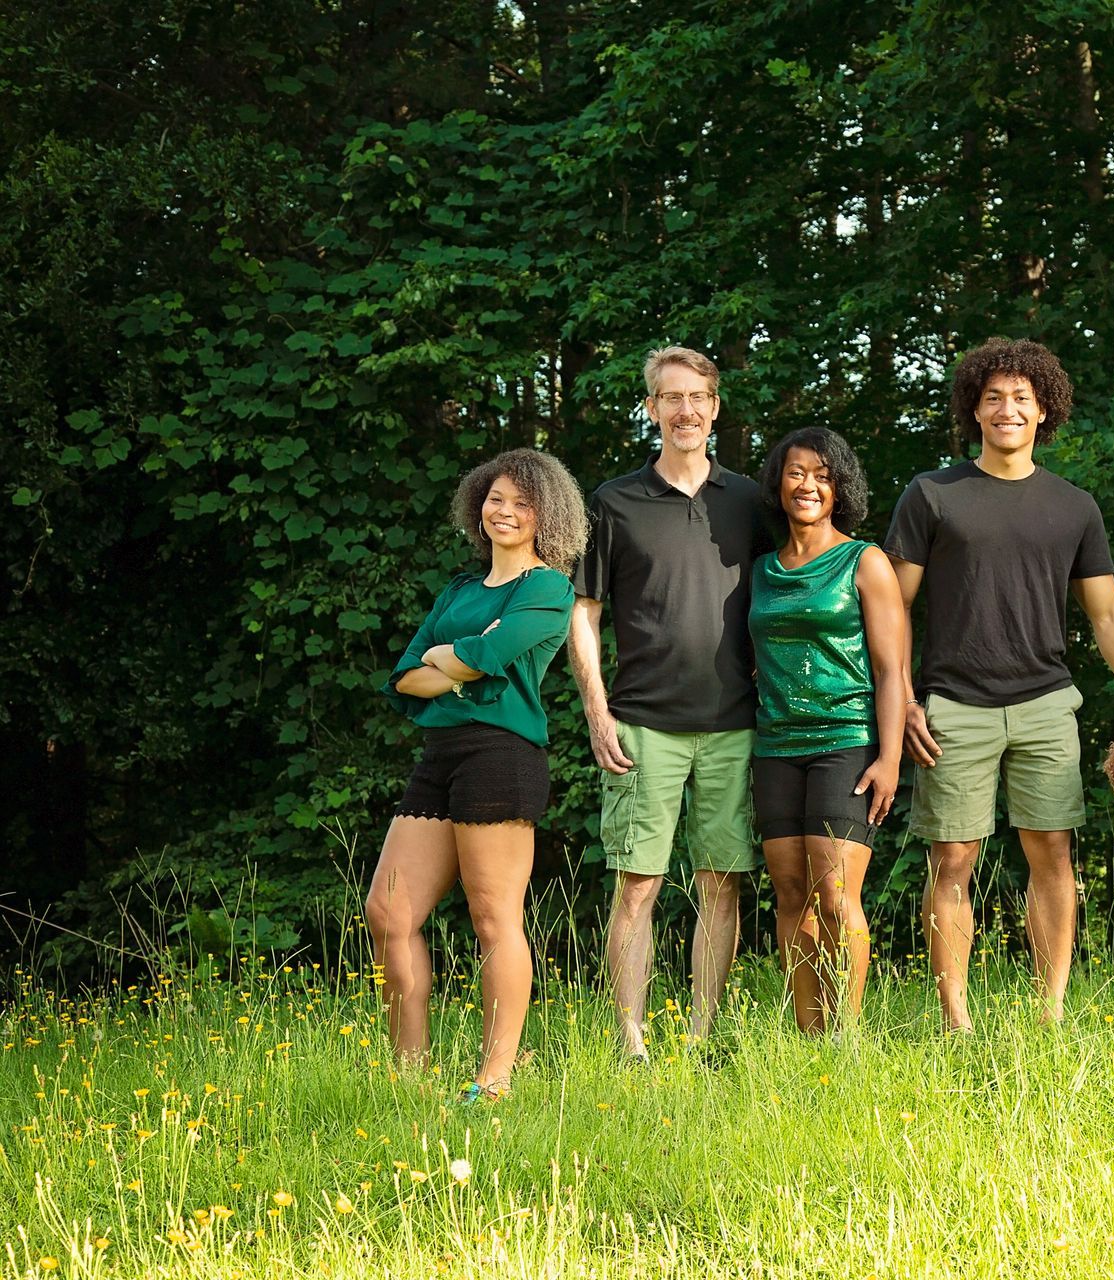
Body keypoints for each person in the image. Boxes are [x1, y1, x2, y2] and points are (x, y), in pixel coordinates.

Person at [884, 337, 1114, 1031]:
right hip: (953, 705)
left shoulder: (1073, 506)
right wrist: (899, 696)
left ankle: (1050, 1012)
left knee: (1053, 856)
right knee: (952, 858)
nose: (1007, 409)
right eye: (992, 398)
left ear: (1044, 410)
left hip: (1046, 703)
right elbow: (891, 607)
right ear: (973, 412)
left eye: (1021, 398)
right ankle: (956, 1020)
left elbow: (1107, 616)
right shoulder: (933, 495)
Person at [570, 346, 772, 1056]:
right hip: (642, 726)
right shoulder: (614, 502)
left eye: (698, 397)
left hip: (735, 725)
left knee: (721, 885)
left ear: (716, 408)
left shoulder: (750, 501)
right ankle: (631, 1045)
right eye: (671, 397)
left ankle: (700, 1037)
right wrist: (598, 713)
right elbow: (583, 613)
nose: (685, 410)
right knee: (637, 887)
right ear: (651, 408)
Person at [367, 448, 587, 1102]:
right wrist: (456, 661)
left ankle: (495, 1080)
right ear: (478, 504)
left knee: (494, 917)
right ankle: (409, 1075)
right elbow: (406, 675)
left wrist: (458, 657)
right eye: (497, 498)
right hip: (441, 755)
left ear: (547, 515)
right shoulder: (461, 592)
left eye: (523, 503)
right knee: (388, 912)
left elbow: (494, 654)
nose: (507, 512)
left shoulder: (548, 587)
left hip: (502, 753)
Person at [749, 428, 909, 1032]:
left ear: (839, 487)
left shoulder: (863, 560)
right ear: (779, 483)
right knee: (790, 897)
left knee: (837, 898)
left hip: (846, 739)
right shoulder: (761, 570)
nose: (807, 485)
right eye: (795, 473)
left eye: (821, 474)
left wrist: (890, 757)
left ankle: (845, 1037)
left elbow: (893, 670)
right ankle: (808, 1034)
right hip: (775, 746)